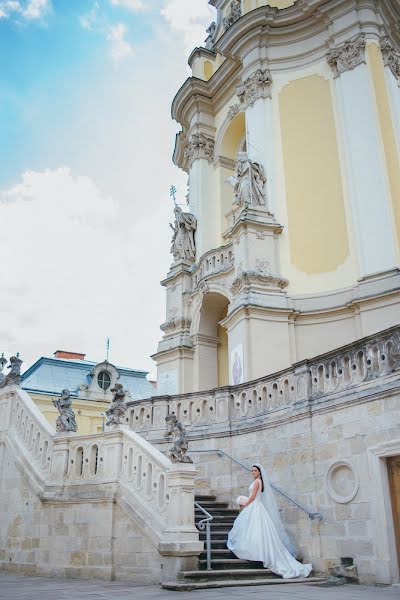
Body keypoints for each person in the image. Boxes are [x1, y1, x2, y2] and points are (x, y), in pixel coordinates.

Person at [227, 464, 312, 579]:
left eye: (255, 470)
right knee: (254, 531)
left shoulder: (257, 482)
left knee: (255, 530)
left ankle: (260, 555)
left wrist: (245, 504)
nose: (253, 472)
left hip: (255, 506)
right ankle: (257, 553)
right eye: (252, 471)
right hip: (256, 506)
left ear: (260, 472)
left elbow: (252, 497)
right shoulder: (258, 481)